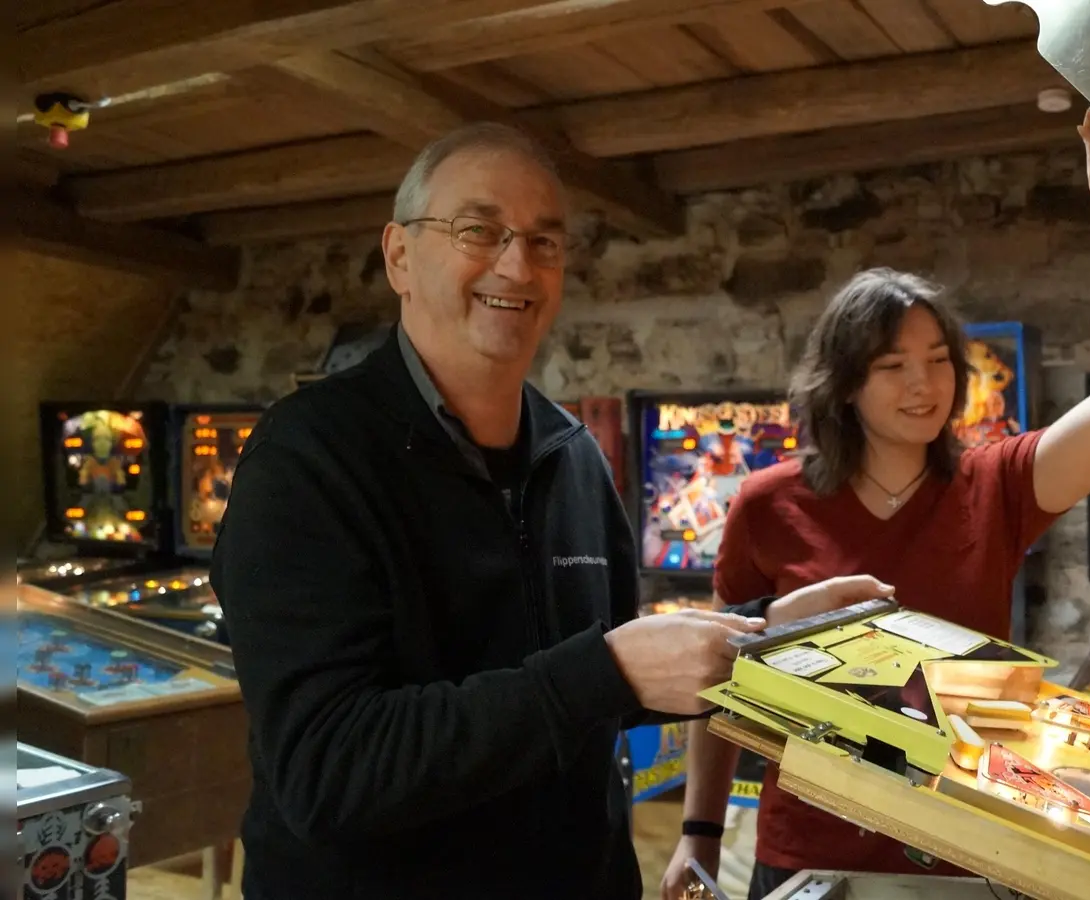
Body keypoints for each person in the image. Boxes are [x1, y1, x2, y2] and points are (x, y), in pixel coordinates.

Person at [210, 122, 891, 900]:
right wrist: (603, 671)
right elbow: (326, 771)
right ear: (399, 255)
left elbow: (598, 687)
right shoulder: (307, 458)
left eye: (544, 242)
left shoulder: (572, 455)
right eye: (480, 230)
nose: (516, 264)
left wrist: (759, 632)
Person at [660, 107, 1090, 899]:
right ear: (845, 383)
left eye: (938, 359)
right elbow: (714, 680)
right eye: (894, 364)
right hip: (808, 852)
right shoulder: (767, 504)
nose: (925, 383)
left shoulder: (996, 484)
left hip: (961, 851)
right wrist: (696, 833)